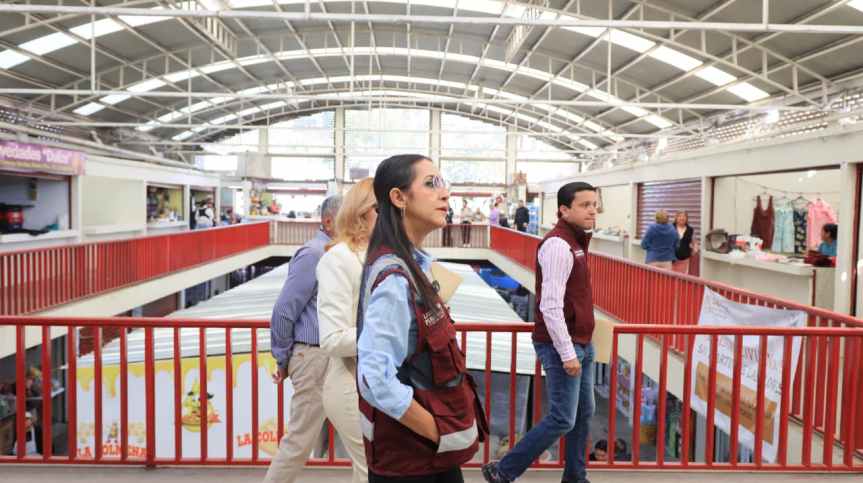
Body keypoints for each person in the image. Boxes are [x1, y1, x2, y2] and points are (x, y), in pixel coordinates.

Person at [357, 154, 487, 482]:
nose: (445, 193)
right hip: (412, 463)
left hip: (426, 460)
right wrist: (437, 431)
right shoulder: (395, 278)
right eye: (431, 183)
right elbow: (374, 377)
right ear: (398, 197)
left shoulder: (414, 265)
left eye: (443, 183)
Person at [483, 182, 598, 483]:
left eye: (594, 204)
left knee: (584, 413)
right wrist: (568, 352)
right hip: (564, 345)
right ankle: (502, 470)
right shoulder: (559, 246)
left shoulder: (578, 241)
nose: (592, 211)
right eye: (584, 205)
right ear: (564, 209)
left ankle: (575, 476)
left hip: (582, 342)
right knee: (563, 418)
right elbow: (550, 306)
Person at [264, 194, 343, 483]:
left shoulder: (334, 253)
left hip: (329, 356)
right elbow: (284, 311)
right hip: (313, 356)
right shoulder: (314, 254)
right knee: (299, 441)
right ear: (328, 221)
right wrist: (282, 357)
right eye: (348, 218)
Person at [315, 178, 377, 483]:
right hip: (351, 384)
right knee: (372, 470)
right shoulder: (338, 259)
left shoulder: (386, 255)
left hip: (378, 384)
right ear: (362, 212)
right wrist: (394, 334)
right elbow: (333, 339)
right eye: (385, 209)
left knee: (370, 471)